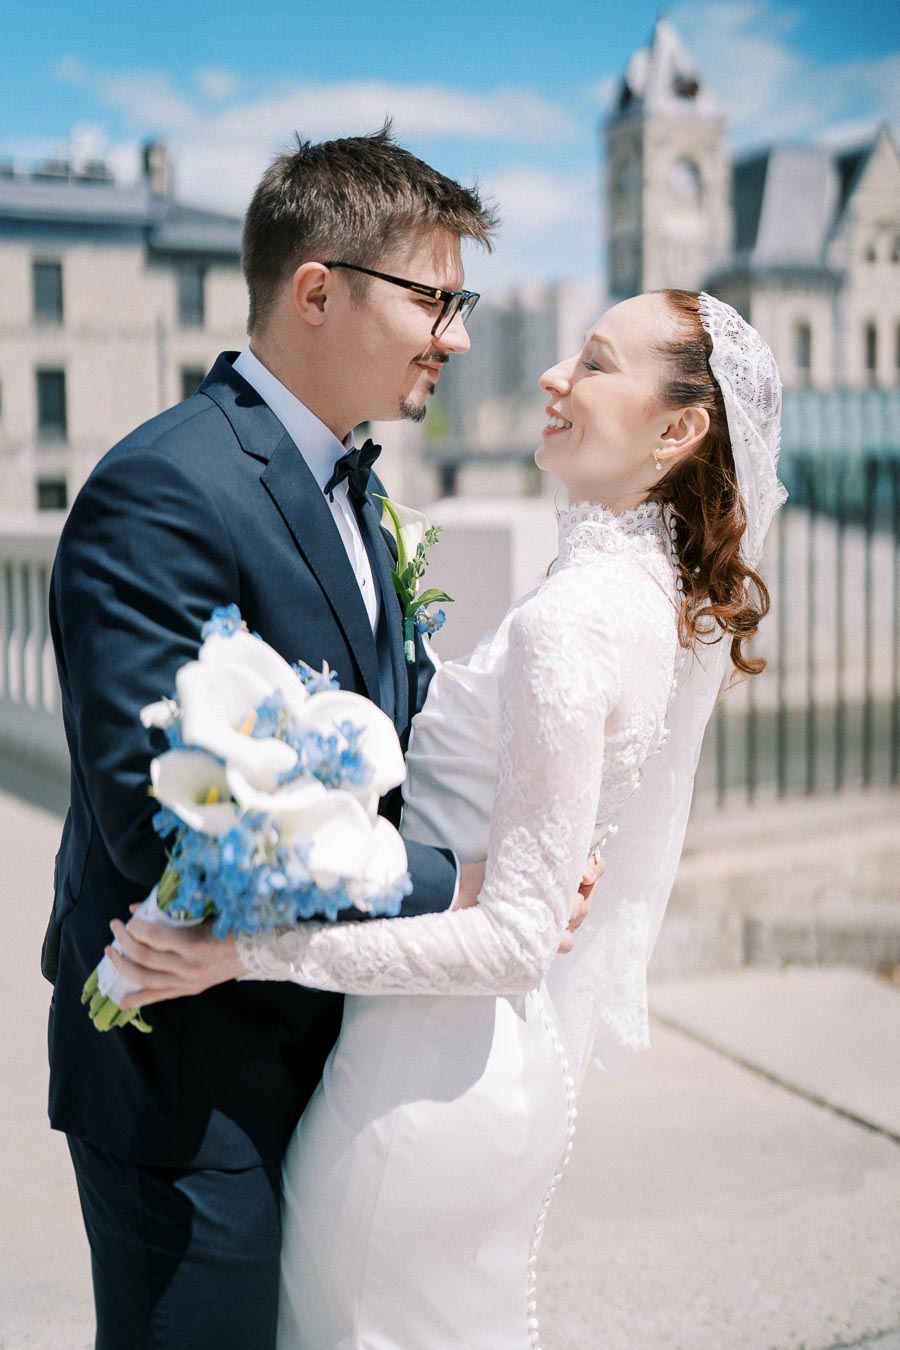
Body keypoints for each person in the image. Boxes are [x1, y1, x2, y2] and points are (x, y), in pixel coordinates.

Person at [110, 287, 787, 1348]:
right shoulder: (644, 598)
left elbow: (516, 938)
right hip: (485, 1075)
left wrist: (245, 951)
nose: (556, 376)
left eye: (597, 362)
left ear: (678, 428)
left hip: (417, 1092)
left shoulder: (575, 618)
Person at [44, 128, 598, 1350]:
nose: (454, 334)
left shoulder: (360, 486)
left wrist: (539, 831)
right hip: (188, 1076)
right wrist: (466, 887)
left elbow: (387, 735)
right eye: (432, 298)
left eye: (463, 303)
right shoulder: (163, 492)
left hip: (328, 1045)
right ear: (316, 291)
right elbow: (161, 830)